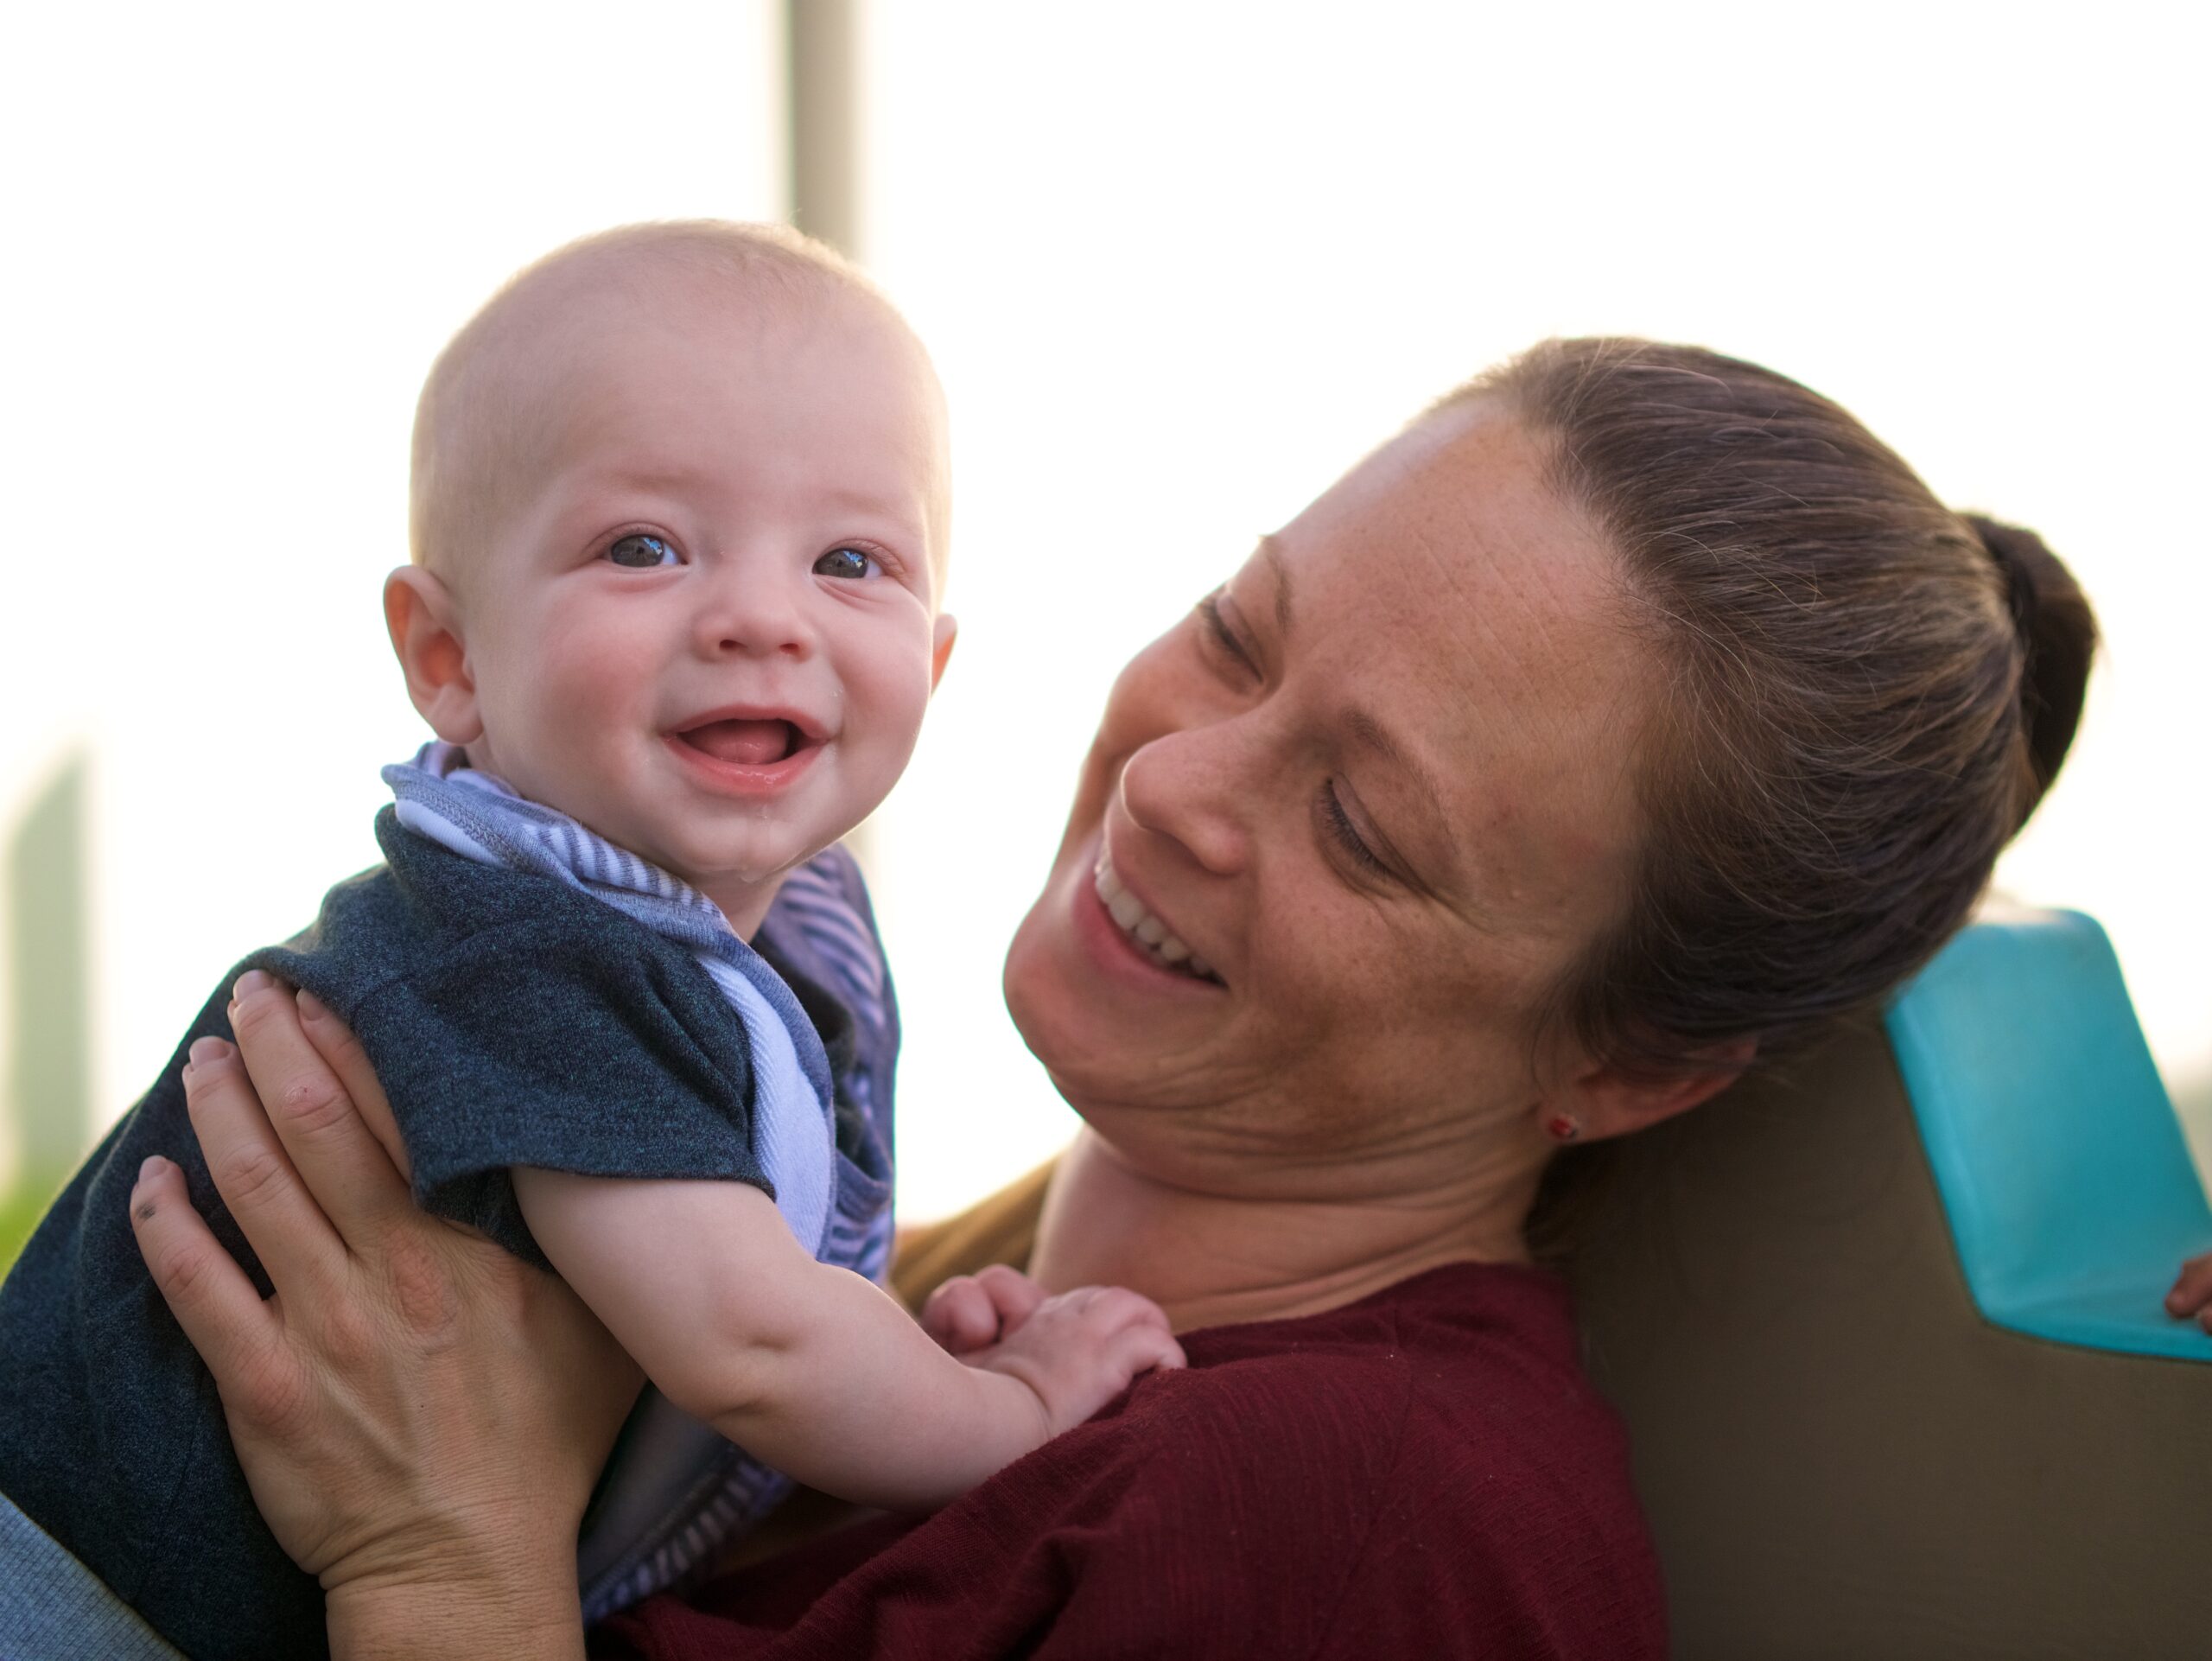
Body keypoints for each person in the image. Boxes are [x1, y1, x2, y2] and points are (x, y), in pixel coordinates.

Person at [125, 338, 2104, 1660]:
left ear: (1630, 1064)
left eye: (1358, 822)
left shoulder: (1356, 1536)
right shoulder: (875, 1304)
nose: (1172, 781)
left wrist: (440, 1574)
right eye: (1236, 634)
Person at [0, 221, 1179, 1661]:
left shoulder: (768, 941)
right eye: (644, 546)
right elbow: (753, 1344)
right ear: (450, 657)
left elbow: (747, 1309)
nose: (762, 615)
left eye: (850, 559)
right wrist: (1014, 1412)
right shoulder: (522, 949)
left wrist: (900, 1358)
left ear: (930, 663)